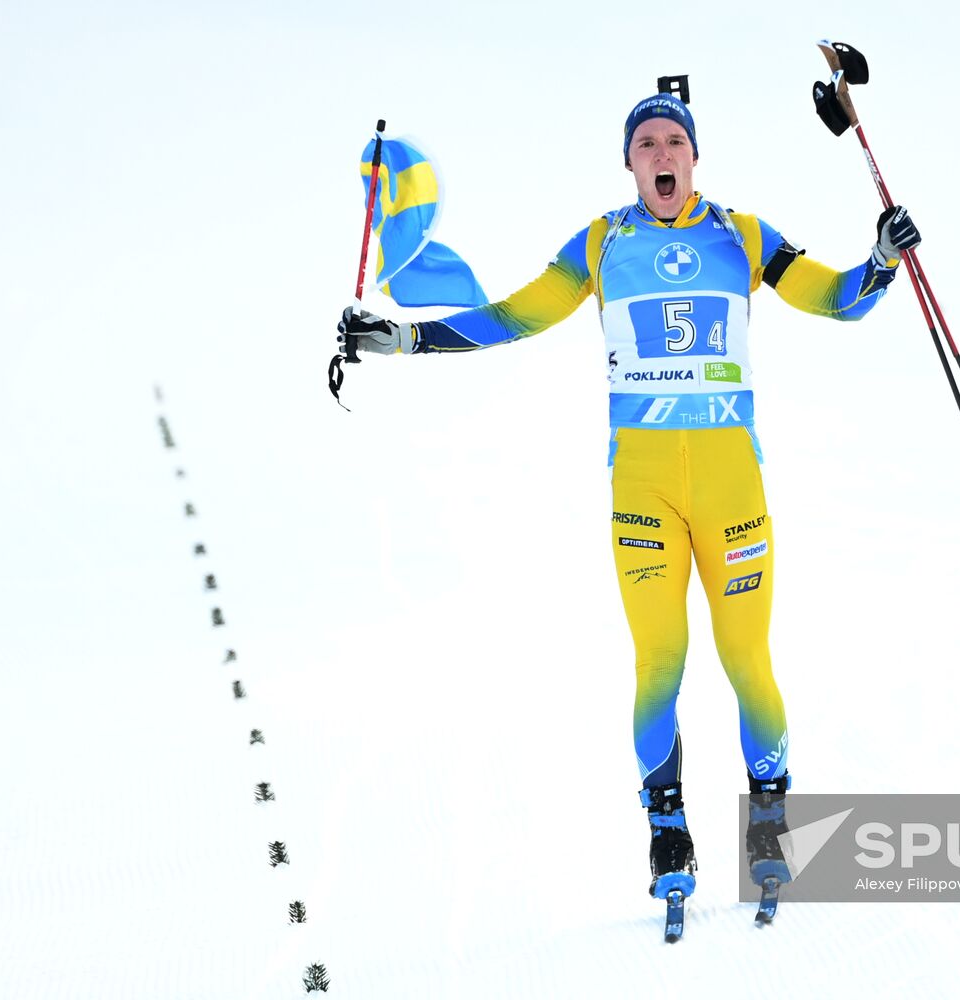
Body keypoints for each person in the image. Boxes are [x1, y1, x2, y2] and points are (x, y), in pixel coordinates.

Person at [338, 90, 920, 906]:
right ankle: (668, 833)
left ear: (692, 157)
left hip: (732, 490)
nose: (660, 153)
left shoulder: (742, 234)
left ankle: (768, 825)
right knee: (659, 664)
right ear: (629, 161)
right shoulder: (602, 241)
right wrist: (405, 338)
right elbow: (513, 316)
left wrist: (883, 258)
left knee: (746, 658)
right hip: (643, 492)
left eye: (672, 139)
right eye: (645, 142)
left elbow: (839, 297)